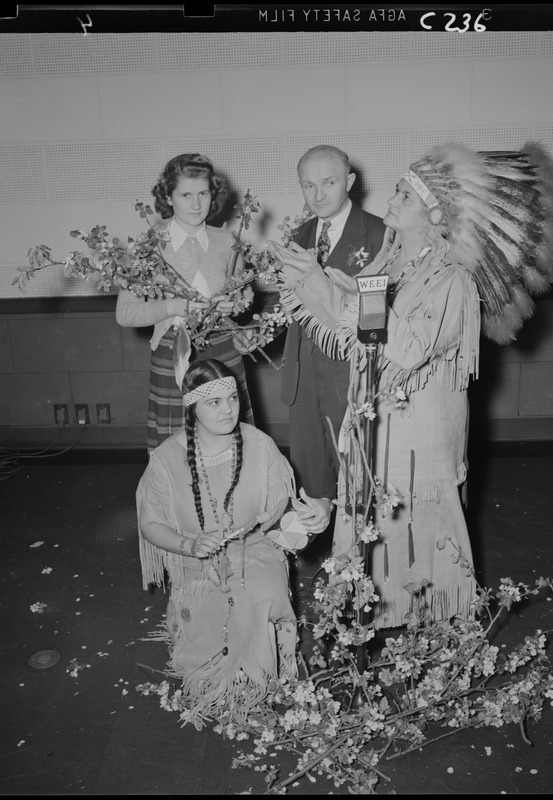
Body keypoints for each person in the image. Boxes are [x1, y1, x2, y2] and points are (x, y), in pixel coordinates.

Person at [269, 141, 553, 628]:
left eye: (405, 196)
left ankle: (433, 636)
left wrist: (338, 289)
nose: (393, 199)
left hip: (419, 441)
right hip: (374, 428)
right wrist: (312, 279)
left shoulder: (453, 282)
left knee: (417, 538)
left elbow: (406, 348)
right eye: (397, 190)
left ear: (433, 215)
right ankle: (375, 625)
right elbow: (359, 332)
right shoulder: (387, 265)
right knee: (375, 534)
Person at [135, 359, 330, 727]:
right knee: (209, 624)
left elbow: (283, 518)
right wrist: (188, 545)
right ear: (192, 408)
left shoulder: (260, 445)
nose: (228, 410)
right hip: (196, 558)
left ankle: (256, 686)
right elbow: (150, 524)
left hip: (255, 547)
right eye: (214, 402)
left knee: (257, 598)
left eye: (233, 398)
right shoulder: (166, 459)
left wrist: (318, 513)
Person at [277, 145, 386, 532]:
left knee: (359, 479)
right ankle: (330, 569)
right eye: (308, 185)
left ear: (350, 182)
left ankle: (360, 567)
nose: (318, 195)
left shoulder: (379, 234)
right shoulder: (299, 234)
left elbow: (376, 324)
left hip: (349, 376)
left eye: (329, 182)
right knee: (313, 486)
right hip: (304, 376)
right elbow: (292, 308)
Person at [116, 153, 254, 451]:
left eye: (203, 193)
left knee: (231, 445)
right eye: (185, 195)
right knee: (177, 449)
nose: (195, 204)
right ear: (168, 196)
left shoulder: (229, 242)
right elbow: (125, 314)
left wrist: (236, 304)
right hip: (173, 354)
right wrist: (171, 308)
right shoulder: (146, 246)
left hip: (224, 350)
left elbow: (245, 294)